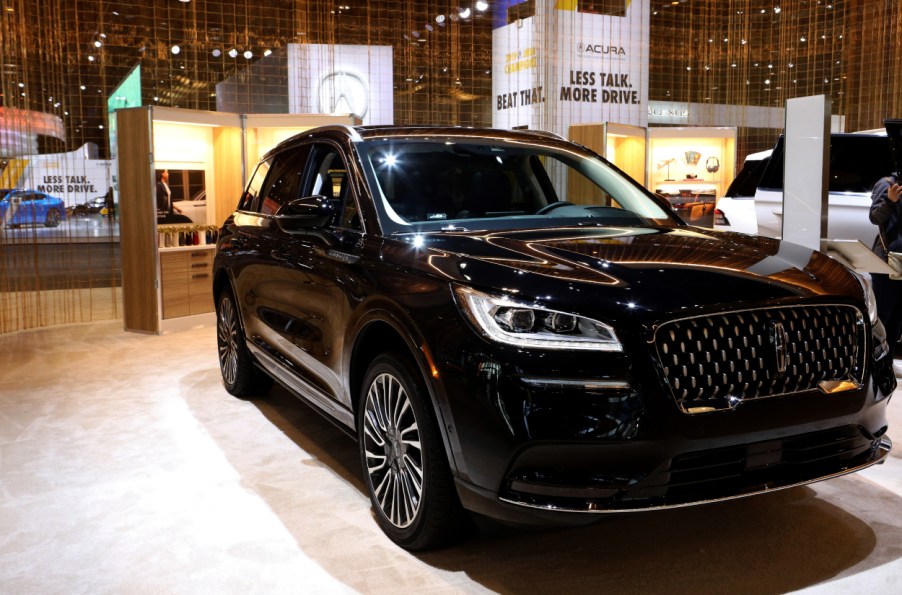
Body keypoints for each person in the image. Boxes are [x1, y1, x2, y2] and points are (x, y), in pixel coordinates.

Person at [869, 172, 902, 350]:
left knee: (897, 319)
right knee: (882, 316)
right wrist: (890, 200)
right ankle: (873, 364)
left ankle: (885, 366)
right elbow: (875, 217)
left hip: (899, 263)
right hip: (887, 262)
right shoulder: (887, 184)